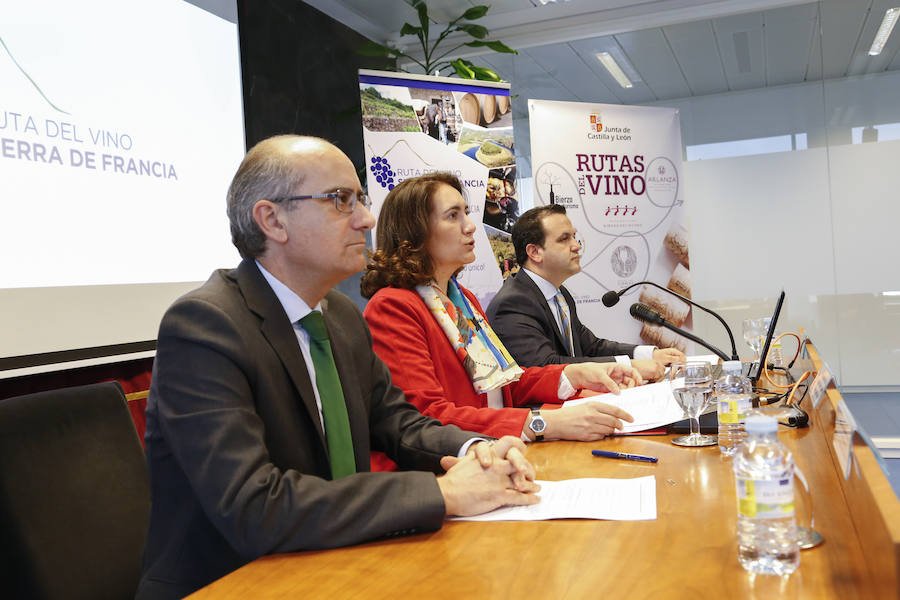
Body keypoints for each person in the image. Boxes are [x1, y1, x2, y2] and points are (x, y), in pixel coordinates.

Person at [136, 136, 541, 600]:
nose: (366, 219)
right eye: (339, 200)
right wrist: (444, 495)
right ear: (272, 220)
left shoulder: (340, 316)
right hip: (236, 581)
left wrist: (479, 451)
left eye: (361, 200)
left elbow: (400, 425)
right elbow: (253, 505)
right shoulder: (206, 326)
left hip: (336, 560)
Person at [360, 173, 641, 449]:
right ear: (415, 232)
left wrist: (574, 374)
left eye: (466, 213)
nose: (469, 226)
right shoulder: (394, 306)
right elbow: (427, 418)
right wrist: (545, 424)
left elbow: (504, 387)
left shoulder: (461, 299)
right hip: (459, 469)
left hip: (500, 451)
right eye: (452, 216)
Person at [486, 205, 685, 377]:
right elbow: (546, 367)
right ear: (535, 252)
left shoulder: (559, 294)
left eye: (573, 236)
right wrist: (629, 367)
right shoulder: (514, 303)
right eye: (564, 239)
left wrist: (648, 354)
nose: (576, 245)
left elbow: (590, 347)